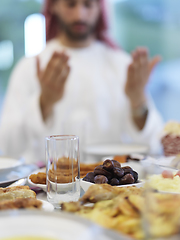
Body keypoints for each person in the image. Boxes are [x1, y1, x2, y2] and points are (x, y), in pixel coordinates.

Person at [0, 0, 163, 164]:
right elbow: (9, 146)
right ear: (54, 6)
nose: (80, 15)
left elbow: (154, 145)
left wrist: (137, 102)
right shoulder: (31, 67)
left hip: (116, 186)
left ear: (99, 8)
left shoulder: (122, 66)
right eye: (71, 5)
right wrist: (44, 103)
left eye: (88, 5)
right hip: (49, 186)